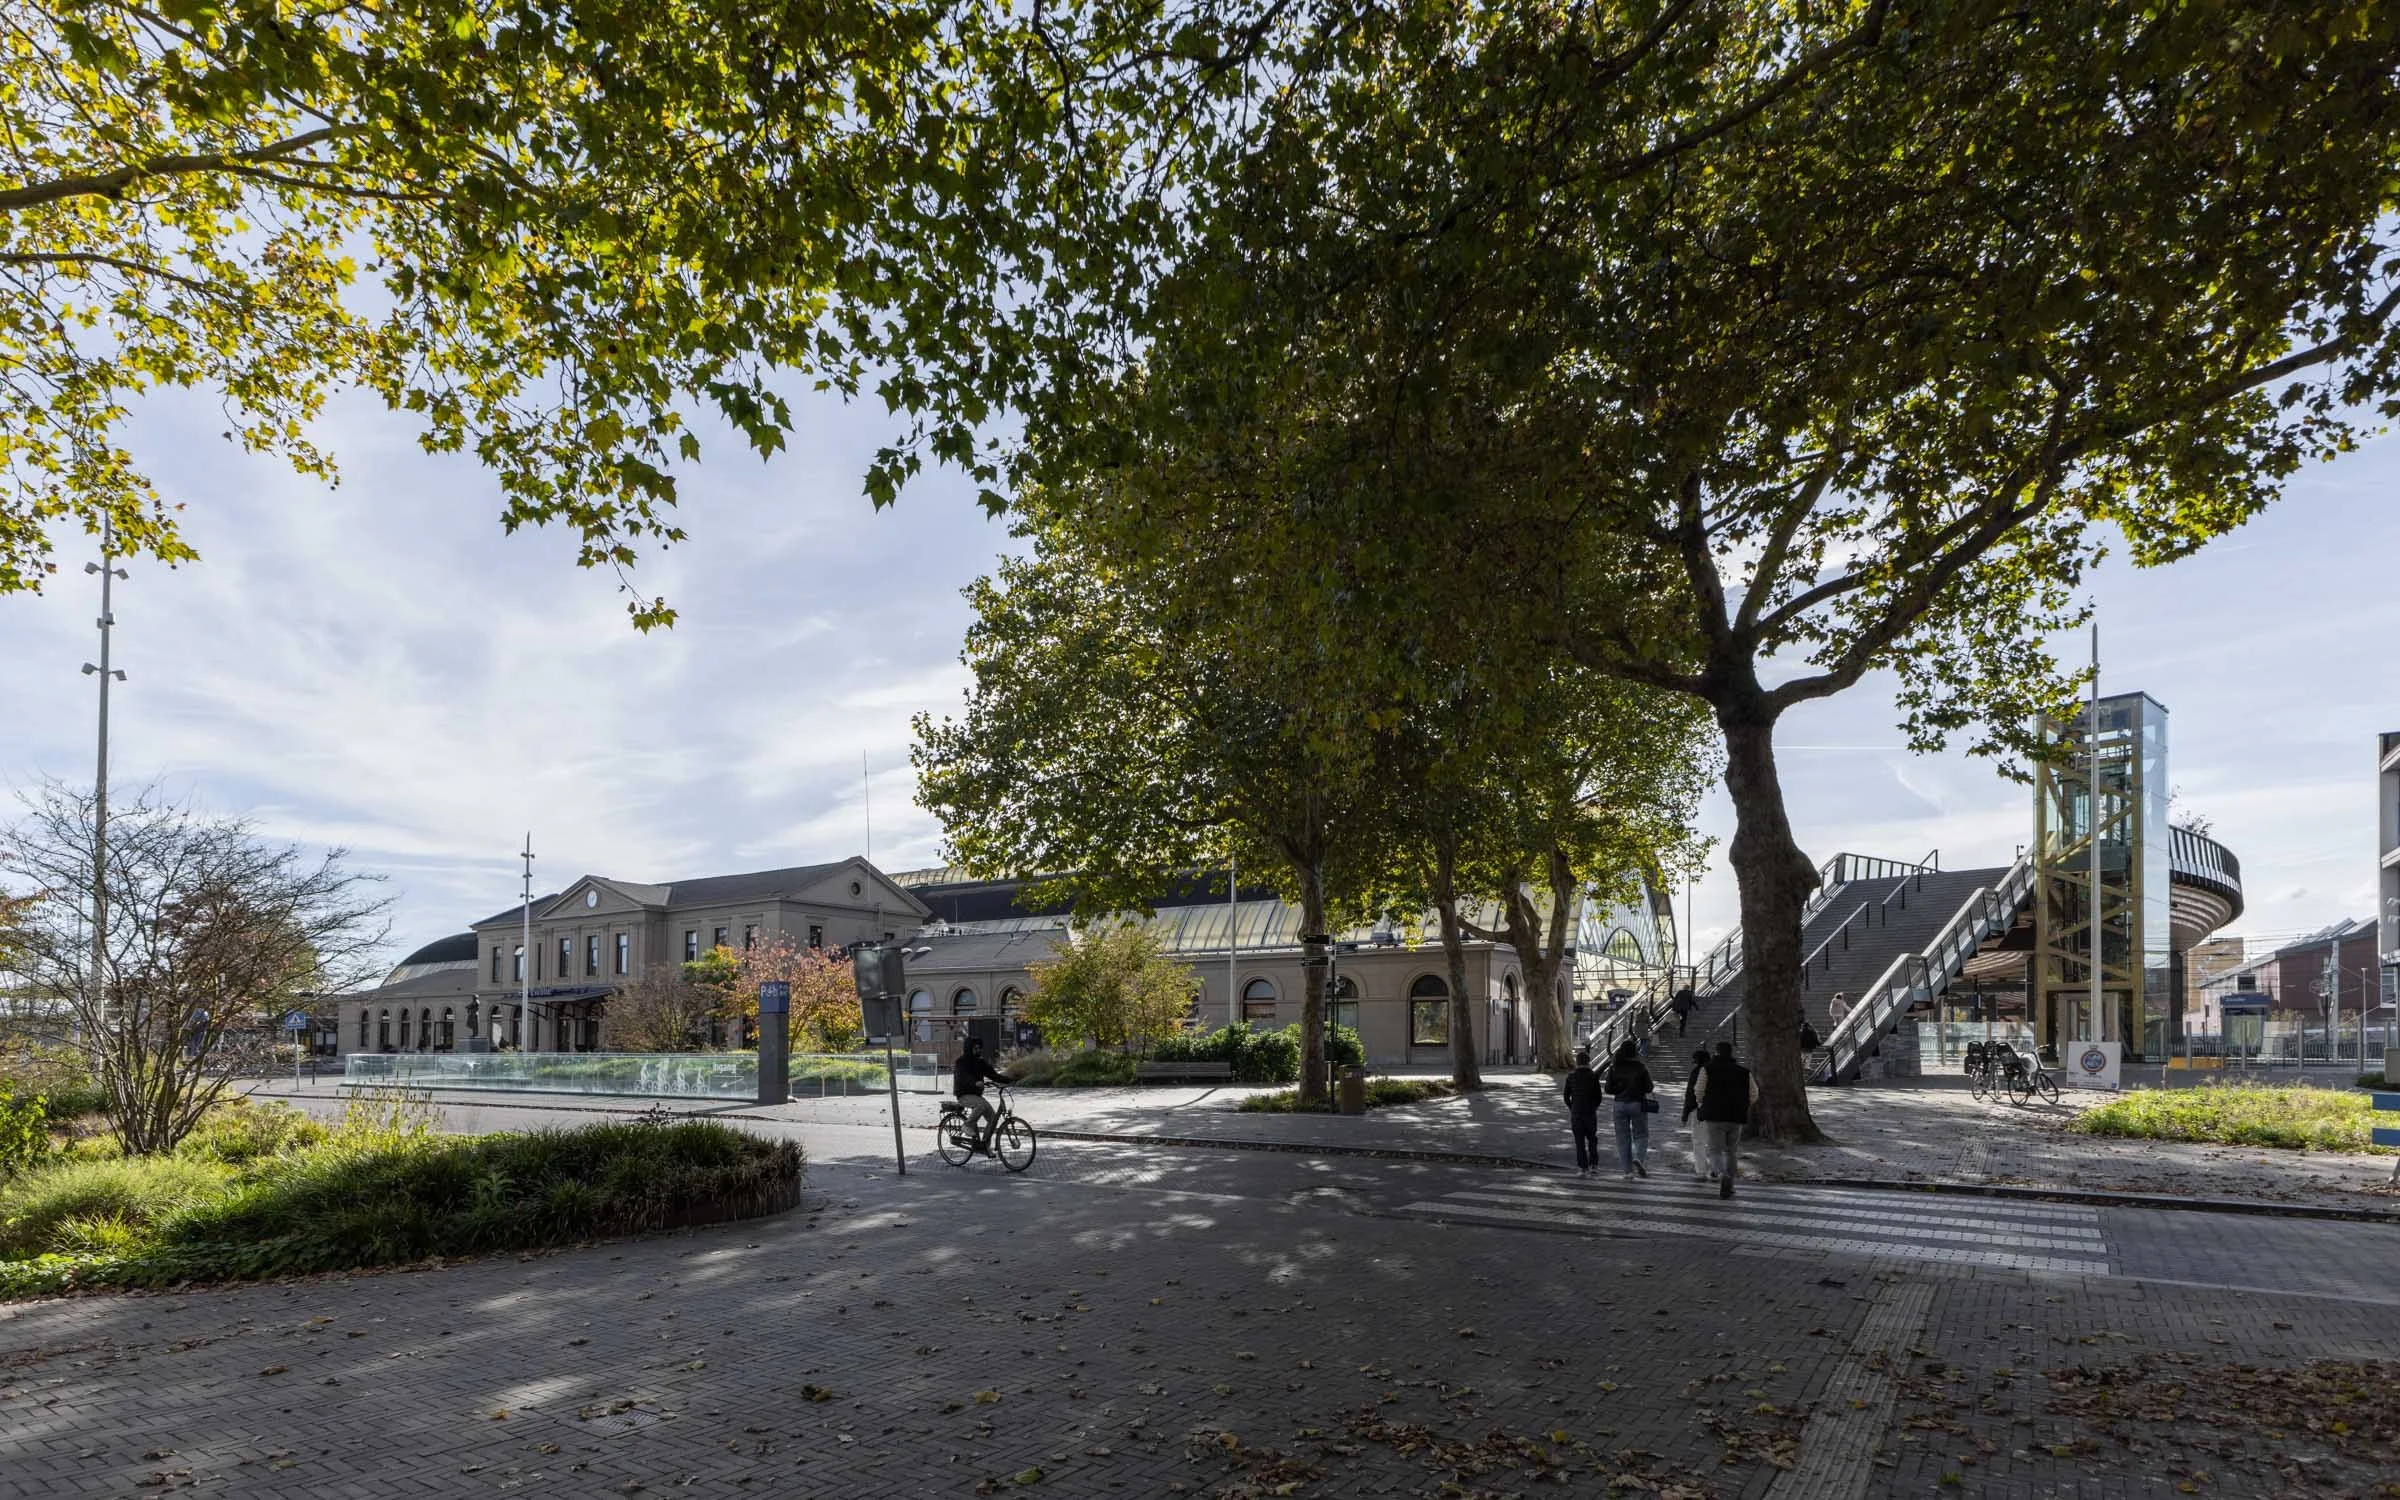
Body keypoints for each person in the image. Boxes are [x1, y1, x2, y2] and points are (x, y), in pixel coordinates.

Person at [1692, 1041, 1757, 1199]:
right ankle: (1731, 1182)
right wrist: (1744, 1105)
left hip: (1714, 1115)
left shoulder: (1707, 1069)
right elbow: (1754, 1093)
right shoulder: (1744, 1072)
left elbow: (1698, 1090)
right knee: (1731, 1151)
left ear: (1716, 1052)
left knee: (1715, 1149)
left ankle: (1722, 1175)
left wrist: (1703, 1104)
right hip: (1736, 1116)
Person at [1602, 1039, 1654, 1179]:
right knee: (1641, 1134)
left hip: (1619, 1104)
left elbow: (1608, 1089)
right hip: (1637, 1104)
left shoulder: (1614, 1067)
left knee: (1622, 1138)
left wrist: (1620, 1088)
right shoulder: (1641, 1067)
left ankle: (1627, 1171)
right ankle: (1638, 1157)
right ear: (1635, 1052)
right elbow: (1649, 1087)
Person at [951, 1036, 1009, 1153]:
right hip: (963, 1095)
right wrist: (974, 1082)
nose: (978, 1050)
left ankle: (984, 1145)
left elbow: (993, 1074)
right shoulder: (961, 1062)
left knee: (993, 1118)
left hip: (976, 1096)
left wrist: (1009, 1080)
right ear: (969, 1048)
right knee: (981, 1105)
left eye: (980, 1048)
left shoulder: (980, 1062)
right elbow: (962, 1077)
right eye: (976, 1048)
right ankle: (967, 1125)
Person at [1562, 1048, 1606, 1176]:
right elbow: (1598, 1096)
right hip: (1590, 1112)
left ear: (1577, 1062)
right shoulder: (1593, 1076)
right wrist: (1594, 1107)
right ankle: (1594, 1165)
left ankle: (1582, 1167)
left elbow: (1566, 1096)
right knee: (1592, 1139)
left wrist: (1572, 1107)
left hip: (1577, 1112)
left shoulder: (1571, 1077)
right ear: (1588, 1062)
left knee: (1579, 1141)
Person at [1680, 1047, 1712, 1179]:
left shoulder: (1696, 1072)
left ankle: (1701, 1170)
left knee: (1699, 1141)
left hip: (1699, 1110)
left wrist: (1685, 1115)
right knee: (1715, 1142)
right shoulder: (1715, 1071)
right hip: (1718, 1111)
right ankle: (1716, 1170)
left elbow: (1690, 1095)